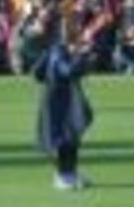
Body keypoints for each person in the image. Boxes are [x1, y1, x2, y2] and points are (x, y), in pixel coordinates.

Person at [33, 22, 93, 191]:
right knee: (64, 139)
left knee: (72, 137)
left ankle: (71, 174)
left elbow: (37, 72)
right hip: (59, 101)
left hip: (63, 98)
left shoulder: (56, 49)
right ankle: (61, 177)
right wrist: (80, 56)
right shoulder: (59, 51)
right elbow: (66, 71)